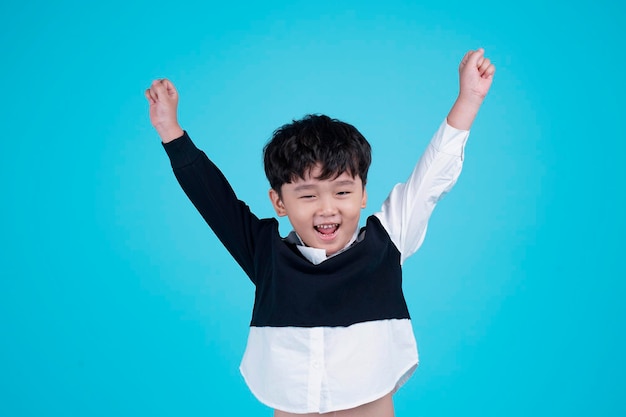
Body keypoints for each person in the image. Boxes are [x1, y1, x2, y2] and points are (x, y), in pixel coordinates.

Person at [145, 48, 495, 417]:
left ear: (363, 195)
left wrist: (468, 99)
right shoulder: (266, 255)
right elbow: (213, 200)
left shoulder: (387, 240)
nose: (327, 208)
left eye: (342, 191)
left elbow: (432, 177)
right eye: (308, 195)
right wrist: (171, 131)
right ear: (279, 203)